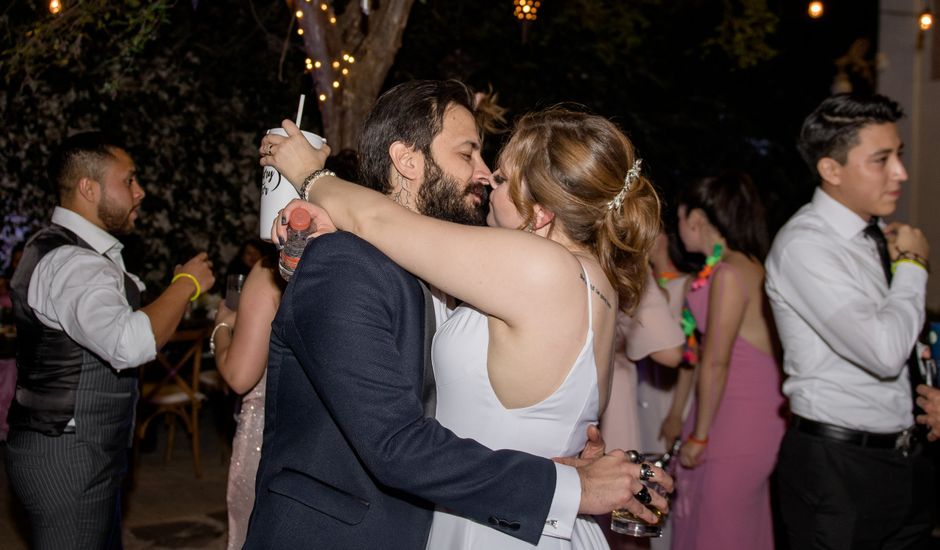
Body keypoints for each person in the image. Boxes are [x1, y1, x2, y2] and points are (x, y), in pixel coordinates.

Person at [263, 94, 668, 548]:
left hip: (499, 527)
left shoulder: (543, 268)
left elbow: (378, 218)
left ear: (541, 213)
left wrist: (310, 174)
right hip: (528, 513)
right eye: (471, 156)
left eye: (502, 177)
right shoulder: (591, 283)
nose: (486, 179)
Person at [5, 131, 215, 549]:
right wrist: (186, 284)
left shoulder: (70, 252)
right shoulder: (74, 264)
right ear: (88, 187)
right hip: (67, 454)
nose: (140, 192)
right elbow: (130, 342)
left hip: (74, 446)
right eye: (129, 180)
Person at [765, 93, 933, 549]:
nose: (901, 172)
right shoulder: (806, 246)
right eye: (881, 160)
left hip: (903, 459)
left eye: (899, 155)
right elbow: (883, 352)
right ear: (831, 170)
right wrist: (914, 266)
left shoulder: (873, 234)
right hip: (839, 468)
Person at [671, 172, 786, 550]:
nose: (677, 229)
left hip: (738, 414)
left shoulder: (730, 273)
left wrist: (700, 435)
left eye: (680, 219)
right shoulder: (740, 265)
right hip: (731, 406)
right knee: (725, 517)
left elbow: (716, 361)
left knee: (721, 520)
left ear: (698, 220)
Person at [211, 249, 285, 550]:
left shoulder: (270, 272)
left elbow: (238, 375)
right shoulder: (353, 260)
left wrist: (223, 326)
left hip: (266, 435)